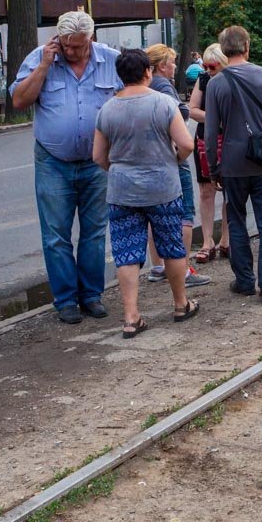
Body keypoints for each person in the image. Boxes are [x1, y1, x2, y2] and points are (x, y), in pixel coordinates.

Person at [11, 11, 119, 324]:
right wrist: (44, 66)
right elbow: (19, 101)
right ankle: (66, 299)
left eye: (79, 46)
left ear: (91, 38)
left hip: (96, 161)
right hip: (53, 162)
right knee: (56, 234)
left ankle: (91, 295)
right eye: (67, 46)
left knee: (95, 232)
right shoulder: (39, 59)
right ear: (58, 39)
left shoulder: (111, 60)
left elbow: (133, 94)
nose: (72, 52)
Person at [94, 49, 199, 338]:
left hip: (122, 191)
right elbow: (186, 144)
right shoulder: (164, 103)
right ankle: (181, 304)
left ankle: (131, 317)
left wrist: (118, 171)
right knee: (172, 246)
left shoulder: (108, 109)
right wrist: (172, 161)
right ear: (148, 72)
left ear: (120, 75)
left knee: (127, 252)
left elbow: (98, 156)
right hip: (163, 187)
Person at [205, 26, 262, 302]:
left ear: (224, 50)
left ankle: (244, 281)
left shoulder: (216, 83)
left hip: (232, 163)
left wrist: (214, 166)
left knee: (237, 221)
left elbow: (210, 130)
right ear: (247, 46)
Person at [144, 44, 210, 289]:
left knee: (154, 215)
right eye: (172, 62)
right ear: (162, 65)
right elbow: (177, 114)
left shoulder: (146, 86)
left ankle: (159, 266)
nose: (175, 67)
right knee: (183, 214)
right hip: (173, 157)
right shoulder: (163, 86)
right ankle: (182, 270)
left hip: (151, 158)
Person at [188, 43, 231, 263]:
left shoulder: (233, 78)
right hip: (206, 140)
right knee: (206, 190)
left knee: (230, 190)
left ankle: (226, 238)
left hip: (230, 140)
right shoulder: (204, 79)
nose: (207, 69)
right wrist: (215, 117)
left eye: (212, 66)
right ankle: (207, 241)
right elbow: (192, 110)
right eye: (204, 65)